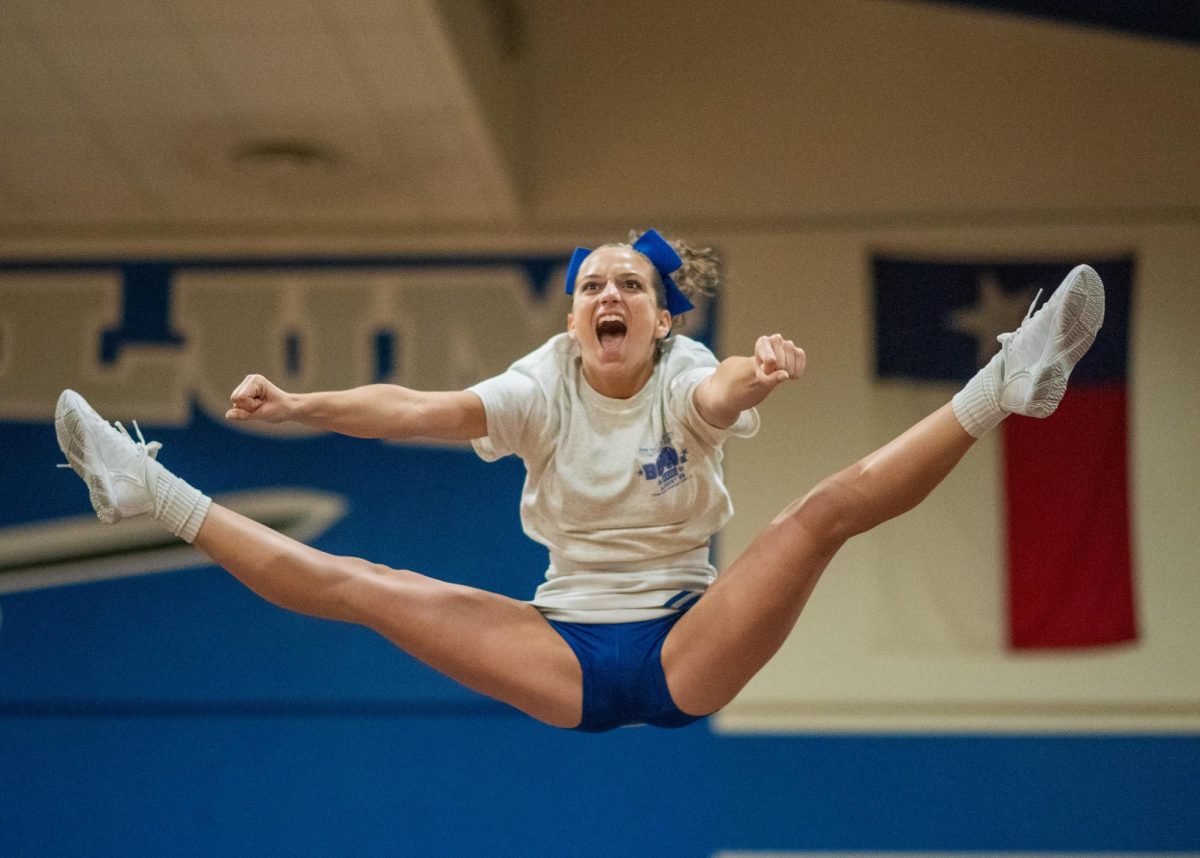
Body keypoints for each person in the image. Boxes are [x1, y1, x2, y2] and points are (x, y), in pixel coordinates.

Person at [54, 229, 1104, 732]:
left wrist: (760, 376)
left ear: (660, 318)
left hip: (689, 638)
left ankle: (1006, 384)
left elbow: (722, 397)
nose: (611, 294)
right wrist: (302, 405)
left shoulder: (687, 371)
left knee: (820, 514)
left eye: (632, 287)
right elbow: (422, 410)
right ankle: (150, 496)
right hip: (563, 647)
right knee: (360, 585)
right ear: (571, 319)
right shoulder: (543, 383)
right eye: (592, 285)